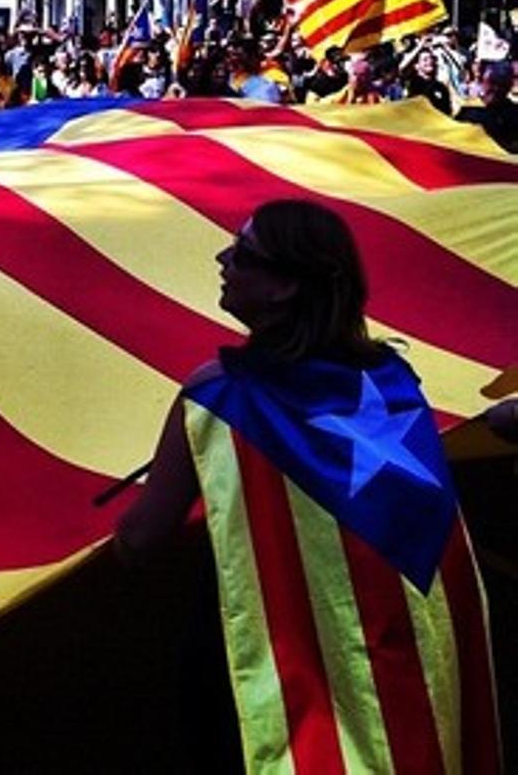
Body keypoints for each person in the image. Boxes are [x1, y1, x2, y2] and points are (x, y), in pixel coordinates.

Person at [113, 199, 499, 772]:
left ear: (284, 287)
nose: (224, 259)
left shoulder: (221, 395)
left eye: (243, 254)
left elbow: (139, 541)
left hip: (267, 672)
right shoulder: (392, 381)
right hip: (399, 658)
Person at [456, 60, 518, 152]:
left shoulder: (514, 113)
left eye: (501, 84)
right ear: (482, 82)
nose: (496, 89)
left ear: (508, 86)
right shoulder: (469, 111)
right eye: (492, 82)